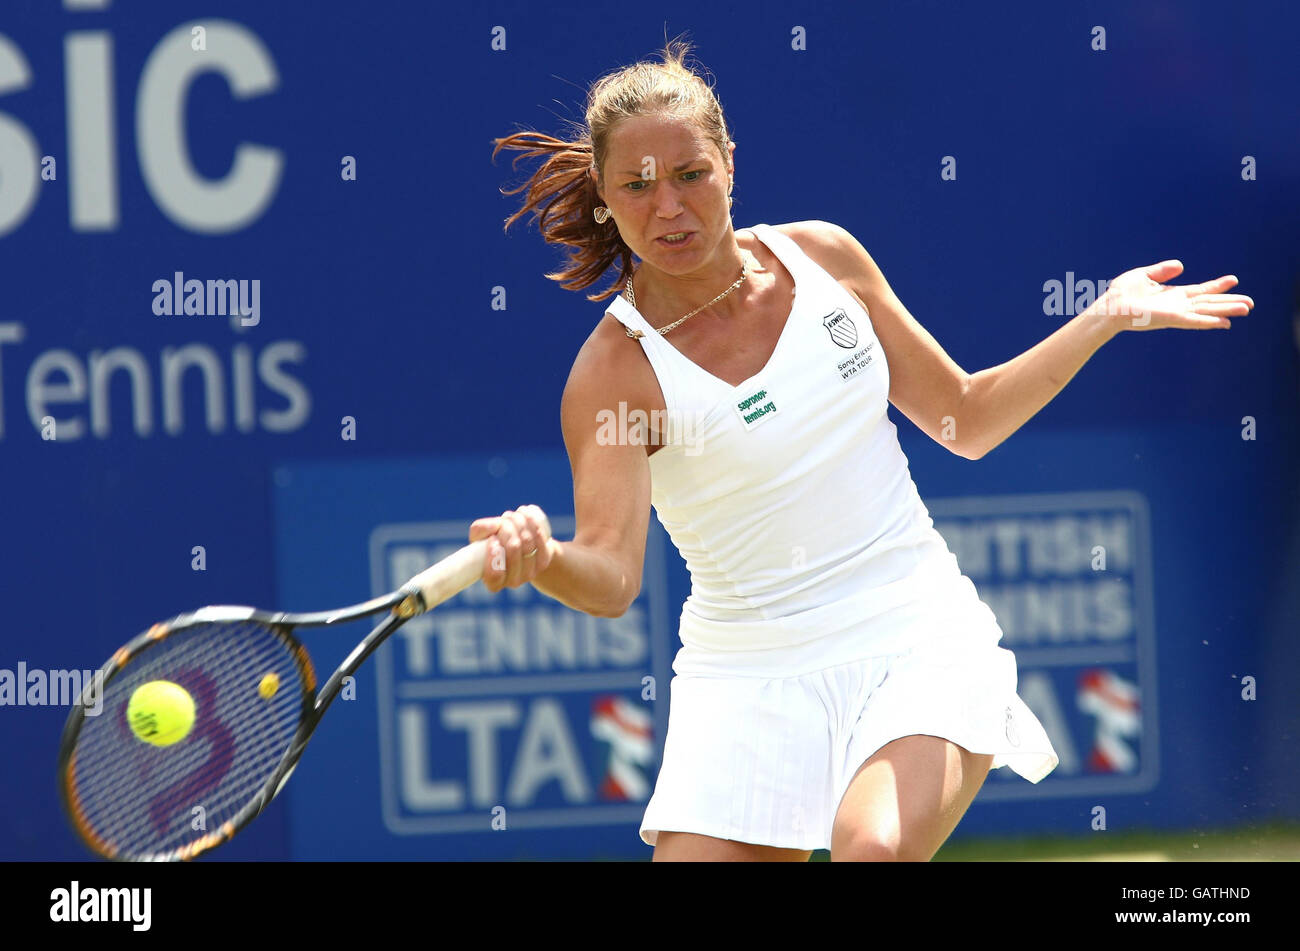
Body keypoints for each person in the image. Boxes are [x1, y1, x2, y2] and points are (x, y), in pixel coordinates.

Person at [477, 41, 1254, 862]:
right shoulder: (614, 374)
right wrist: (546, 558)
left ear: (730, 164)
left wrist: (1105, 315)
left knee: (871, 848)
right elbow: (611, 575)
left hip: (911, 628)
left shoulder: (825, 260)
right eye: (636, 185)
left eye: (689, 174)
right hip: (743, 675)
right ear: (603, 193)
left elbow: (965, 418)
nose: (667, 207)